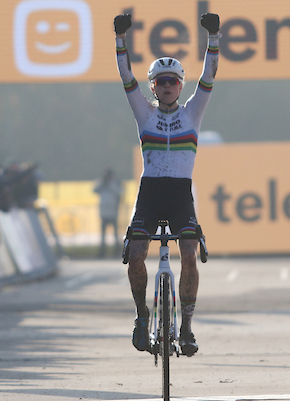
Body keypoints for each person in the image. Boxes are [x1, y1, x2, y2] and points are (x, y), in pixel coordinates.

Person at [114, 12, 220, 356]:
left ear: (180, 85)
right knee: (135, 254)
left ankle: (186, 326)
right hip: (150, 191)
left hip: (179, 194)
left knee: (189, 254)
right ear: (153, 87)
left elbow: (209, 75)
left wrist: (214, 37)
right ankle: (142, 316)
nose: (168, 86)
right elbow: (126, 76)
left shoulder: (193, 112)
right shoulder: (144, 113)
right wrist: (120, 40)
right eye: (161, 82)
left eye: (173, 81)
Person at [94, 168, 122, 257]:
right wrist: (103, 183)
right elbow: (94, 190)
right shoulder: (102, 182)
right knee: (103, 235)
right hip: (104, 212)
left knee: (115, 234)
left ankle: (117, 252)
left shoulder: (116, 182)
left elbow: (120, 192)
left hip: (113, 212)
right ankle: (102, 252)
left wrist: (110, 184)